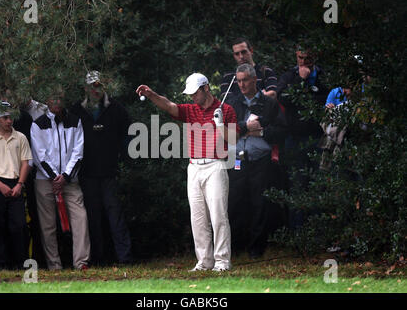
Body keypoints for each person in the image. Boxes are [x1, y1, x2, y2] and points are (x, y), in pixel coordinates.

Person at [136, 73, 239, 271]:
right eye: (190, 94)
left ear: (206, 88)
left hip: (216, 165)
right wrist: (151, 94)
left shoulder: (226, 110)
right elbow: (169, 106)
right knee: (197, 217)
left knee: (218, 215)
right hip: (194, 167)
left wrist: (219, 124)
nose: (192, 97)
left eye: (195, 93)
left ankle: (222, 261)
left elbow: (233, 139)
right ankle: (204, 261)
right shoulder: (190, 110)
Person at [70, 71, 133, 266]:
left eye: (98, 86)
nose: (95, 90)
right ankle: (97, 259)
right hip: (86, 173)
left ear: (104, 86)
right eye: (91, 86)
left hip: (109, 172)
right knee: (92, 218)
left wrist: (125, 160)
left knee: (116, 216)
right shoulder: (76, 110)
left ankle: (125, 258)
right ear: (85, 88)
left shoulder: (117, 109)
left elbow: (128, 136)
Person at [226, 63, 285, 258]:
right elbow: (224, 130)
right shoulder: (233, 102)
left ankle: (256, 249)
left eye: (245, 80)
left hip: (260, 160)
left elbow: (282, 131)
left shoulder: (269, 104)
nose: (241, 85)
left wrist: (261, 131)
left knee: (259, 203)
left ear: (254, 80)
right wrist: (244, 126)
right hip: (237, 160)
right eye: (239, 81)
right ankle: (235, 247)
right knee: (234, 202)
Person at [30, 88, 90, 270]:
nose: (56, 101)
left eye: (60, 98)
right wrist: (54, 177)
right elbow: (39, 155)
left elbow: (78, 153)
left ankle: (81, 262)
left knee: (81, 218)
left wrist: (64, 177)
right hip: (45, 180)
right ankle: (54, 264)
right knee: (47, 225)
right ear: (47, 100)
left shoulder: (74, 121)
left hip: (70, 180)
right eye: (53, 97)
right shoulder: (38, 124)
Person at [276, 46, 328, 228]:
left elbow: (326, 100)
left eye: (308, 58)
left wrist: (310, 97)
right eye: (300, 58)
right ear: (296, 56)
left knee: (318, 183)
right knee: (297, 183)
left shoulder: (324, 76)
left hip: (318, 137)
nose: (304, 62)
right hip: (295, 138)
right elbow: (283, 98)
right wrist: (300, 80)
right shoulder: (289, 77)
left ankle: (317, 231)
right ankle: (298, 234)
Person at [0, 102, 32, 269]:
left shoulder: (21, 137)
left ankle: (20, 263)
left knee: (18, 225)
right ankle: (1, 264)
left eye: (11, 117)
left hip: (15, 182)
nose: (9, 121)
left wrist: (19, 184)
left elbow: (26, 163)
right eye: (5, 118)